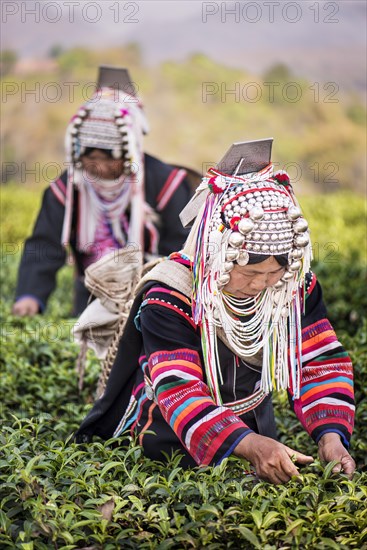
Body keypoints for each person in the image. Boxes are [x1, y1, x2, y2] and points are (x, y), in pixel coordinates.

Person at [75, 139, 355, 484]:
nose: (261, 284)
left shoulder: (293, 287)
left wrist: (331, 435)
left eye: (273, 273)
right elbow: (179, 389)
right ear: (219, 252)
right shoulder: (170, 295)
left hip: (258, 429)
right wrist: (249, 446)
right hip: (168, 442)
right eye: (251, 273)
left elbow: (318, 361)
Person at [12, 66, 196, 317]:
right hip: (89, 294)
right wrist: (29, 296)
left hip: (151, 297)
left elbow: (182, 246)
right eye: (91, 158)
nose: (98, 168)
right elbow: (45, 243)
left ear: (128, 152)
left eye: (108, 160)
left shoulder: (165, 183)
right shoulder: (69, 188)